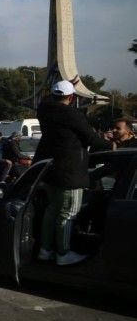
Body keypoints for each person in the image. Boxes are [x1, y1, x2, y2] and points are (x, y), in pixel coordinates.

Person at [33, 80, 111, 266]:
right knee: (68, 214)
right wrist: (110, 145)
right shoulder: (71, 113)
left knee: (52, 210)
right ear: (72, 97)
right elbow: (90, 137)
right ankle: (63, 253)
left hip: (51, 171)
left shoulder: (44, 111)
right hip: (70, 172)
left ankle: (45, 250)